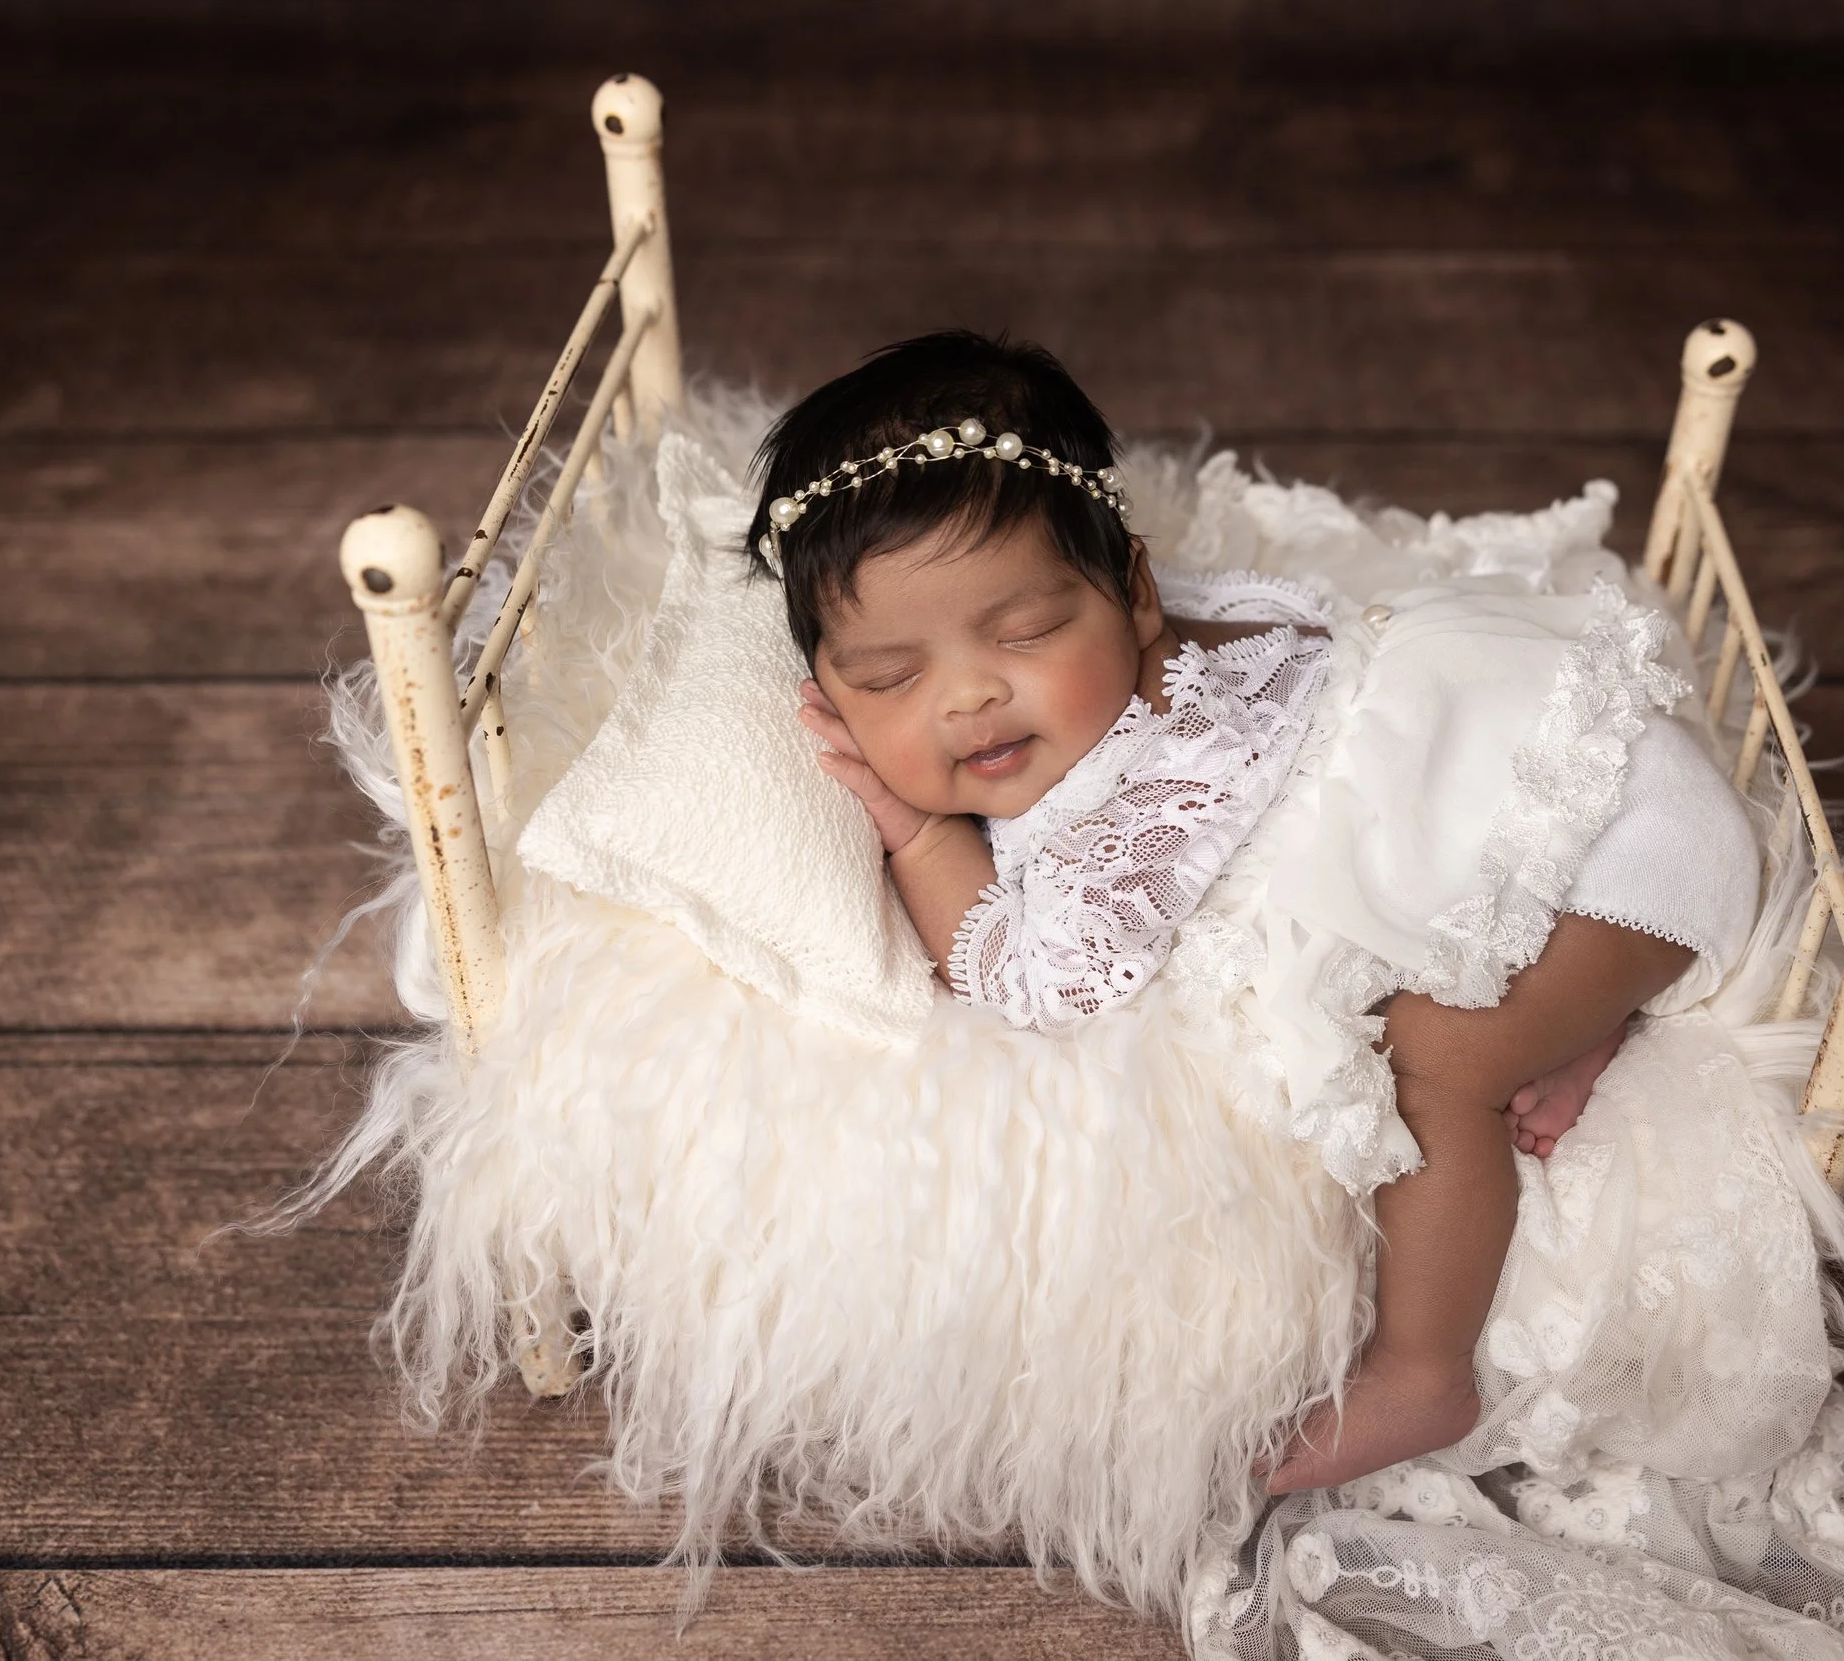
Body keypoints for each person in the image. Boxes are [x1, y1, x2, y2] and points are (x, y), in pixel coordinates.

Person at [753, 331, 1760, 1496]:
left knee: (1434, 1056)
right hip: (1556, 800)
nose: (969, 694)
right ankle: (1580, 1019)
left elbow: (1038, 980)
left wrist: (922, 836)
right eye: (888, 678)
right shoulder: (1146, 654)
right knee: (1474, 978)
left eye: (1024, 633)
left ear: (1135, 595)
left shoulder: (1159, 782)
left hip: (1632, 847)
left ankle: (1421, 1369)